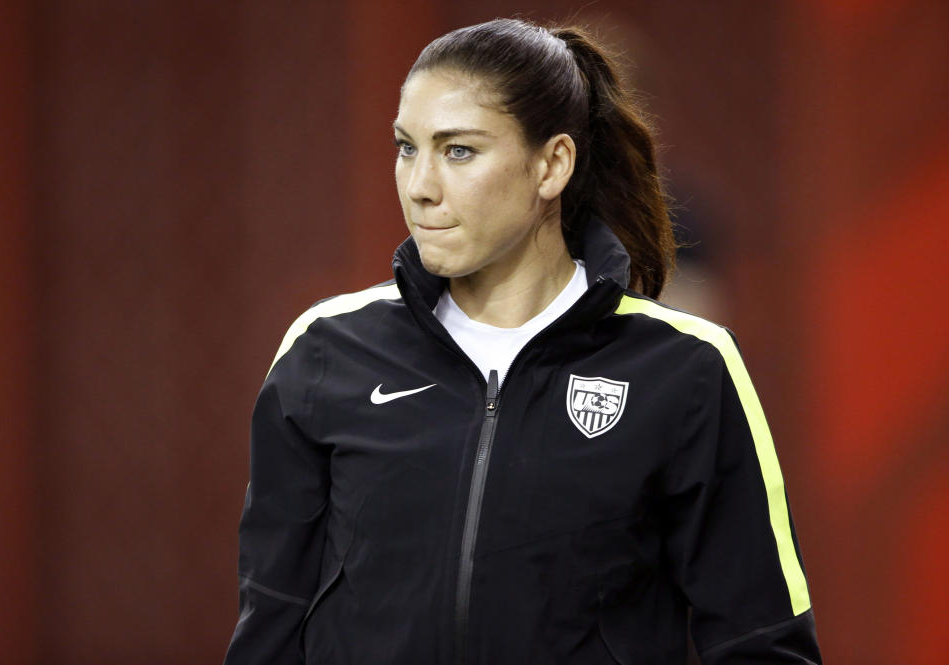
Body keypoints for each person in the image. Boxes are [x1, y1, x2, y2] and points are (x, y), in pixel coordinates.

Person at [224, 18, 821, 665]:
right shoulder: (324, 353)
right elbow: (269, 631)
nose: (420, 185)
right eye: (406, 147)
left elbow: (763, 645)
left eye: (458, 150)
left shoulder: (689, 369)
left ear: (552, 164)